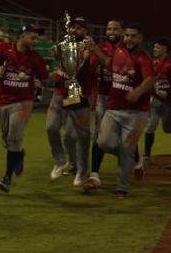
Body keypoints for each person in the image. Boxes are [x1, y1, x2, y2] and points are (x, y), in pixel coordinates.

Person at [84, 23, 154, 198]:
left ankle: (122, 188)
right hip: (113, 109)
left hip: (136, 113)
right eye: (127, 35)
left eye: (133, 36)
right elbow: (108, 63)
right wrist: (95, 50)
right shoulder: (120, 50)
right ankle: (129, 158)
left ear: (140, 38)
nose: (129, 39)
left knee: (127, 148)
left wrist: (138, 91)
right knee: (103, 142)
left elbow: (150, 80)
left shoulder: (143, 58)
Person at [0, 24, 50, 192]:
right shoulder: (4, 49)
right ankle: (19, 153)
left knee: (14, 132)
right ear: (22, 36)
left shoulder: (35, 57)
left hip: (23, 102)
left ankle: (6, 178)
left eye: (37, 38)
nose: (36, 41)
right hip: (3, 101)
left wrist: (41, 83)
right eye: (33, 37)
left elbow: (44, 78)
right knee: (8, 140)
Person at [47, 16, 96, 186]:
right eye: (73, 27)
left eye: (79, 28)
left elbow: (86, 70)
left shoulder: (89, 45)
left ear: (86, 31)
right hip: (61, 91)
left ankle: (81, 170)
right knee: (51, 127)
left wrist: (88, 56)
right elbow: (57, 56)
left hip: (79, 93)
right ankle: (61, 160)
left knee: (76, 135)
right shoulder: (66, 44)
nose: (75, 30)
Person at [87, 19, 123, 188]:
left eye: (115, 29)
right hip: (104, 97)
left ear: (122, 31)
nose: (111, 32)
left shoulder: (128, 48)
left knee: (124, 136)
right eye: (109, 28)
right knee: (98, 134)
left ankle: (133, 160)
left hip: (124, 98)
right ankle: (94, 174)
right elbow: (92, 68)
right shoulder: (101, 47)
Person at [143, 37, 171, 166]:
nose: (154, 49)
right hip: (156, 100)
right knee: (150, 127)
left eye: (157, 47)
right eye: (154, 47)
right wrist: (154, 93)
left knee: (168, 129)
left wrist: (168, 92)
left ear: (165, 49)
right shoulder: (152, 63)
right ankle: (146, 156)